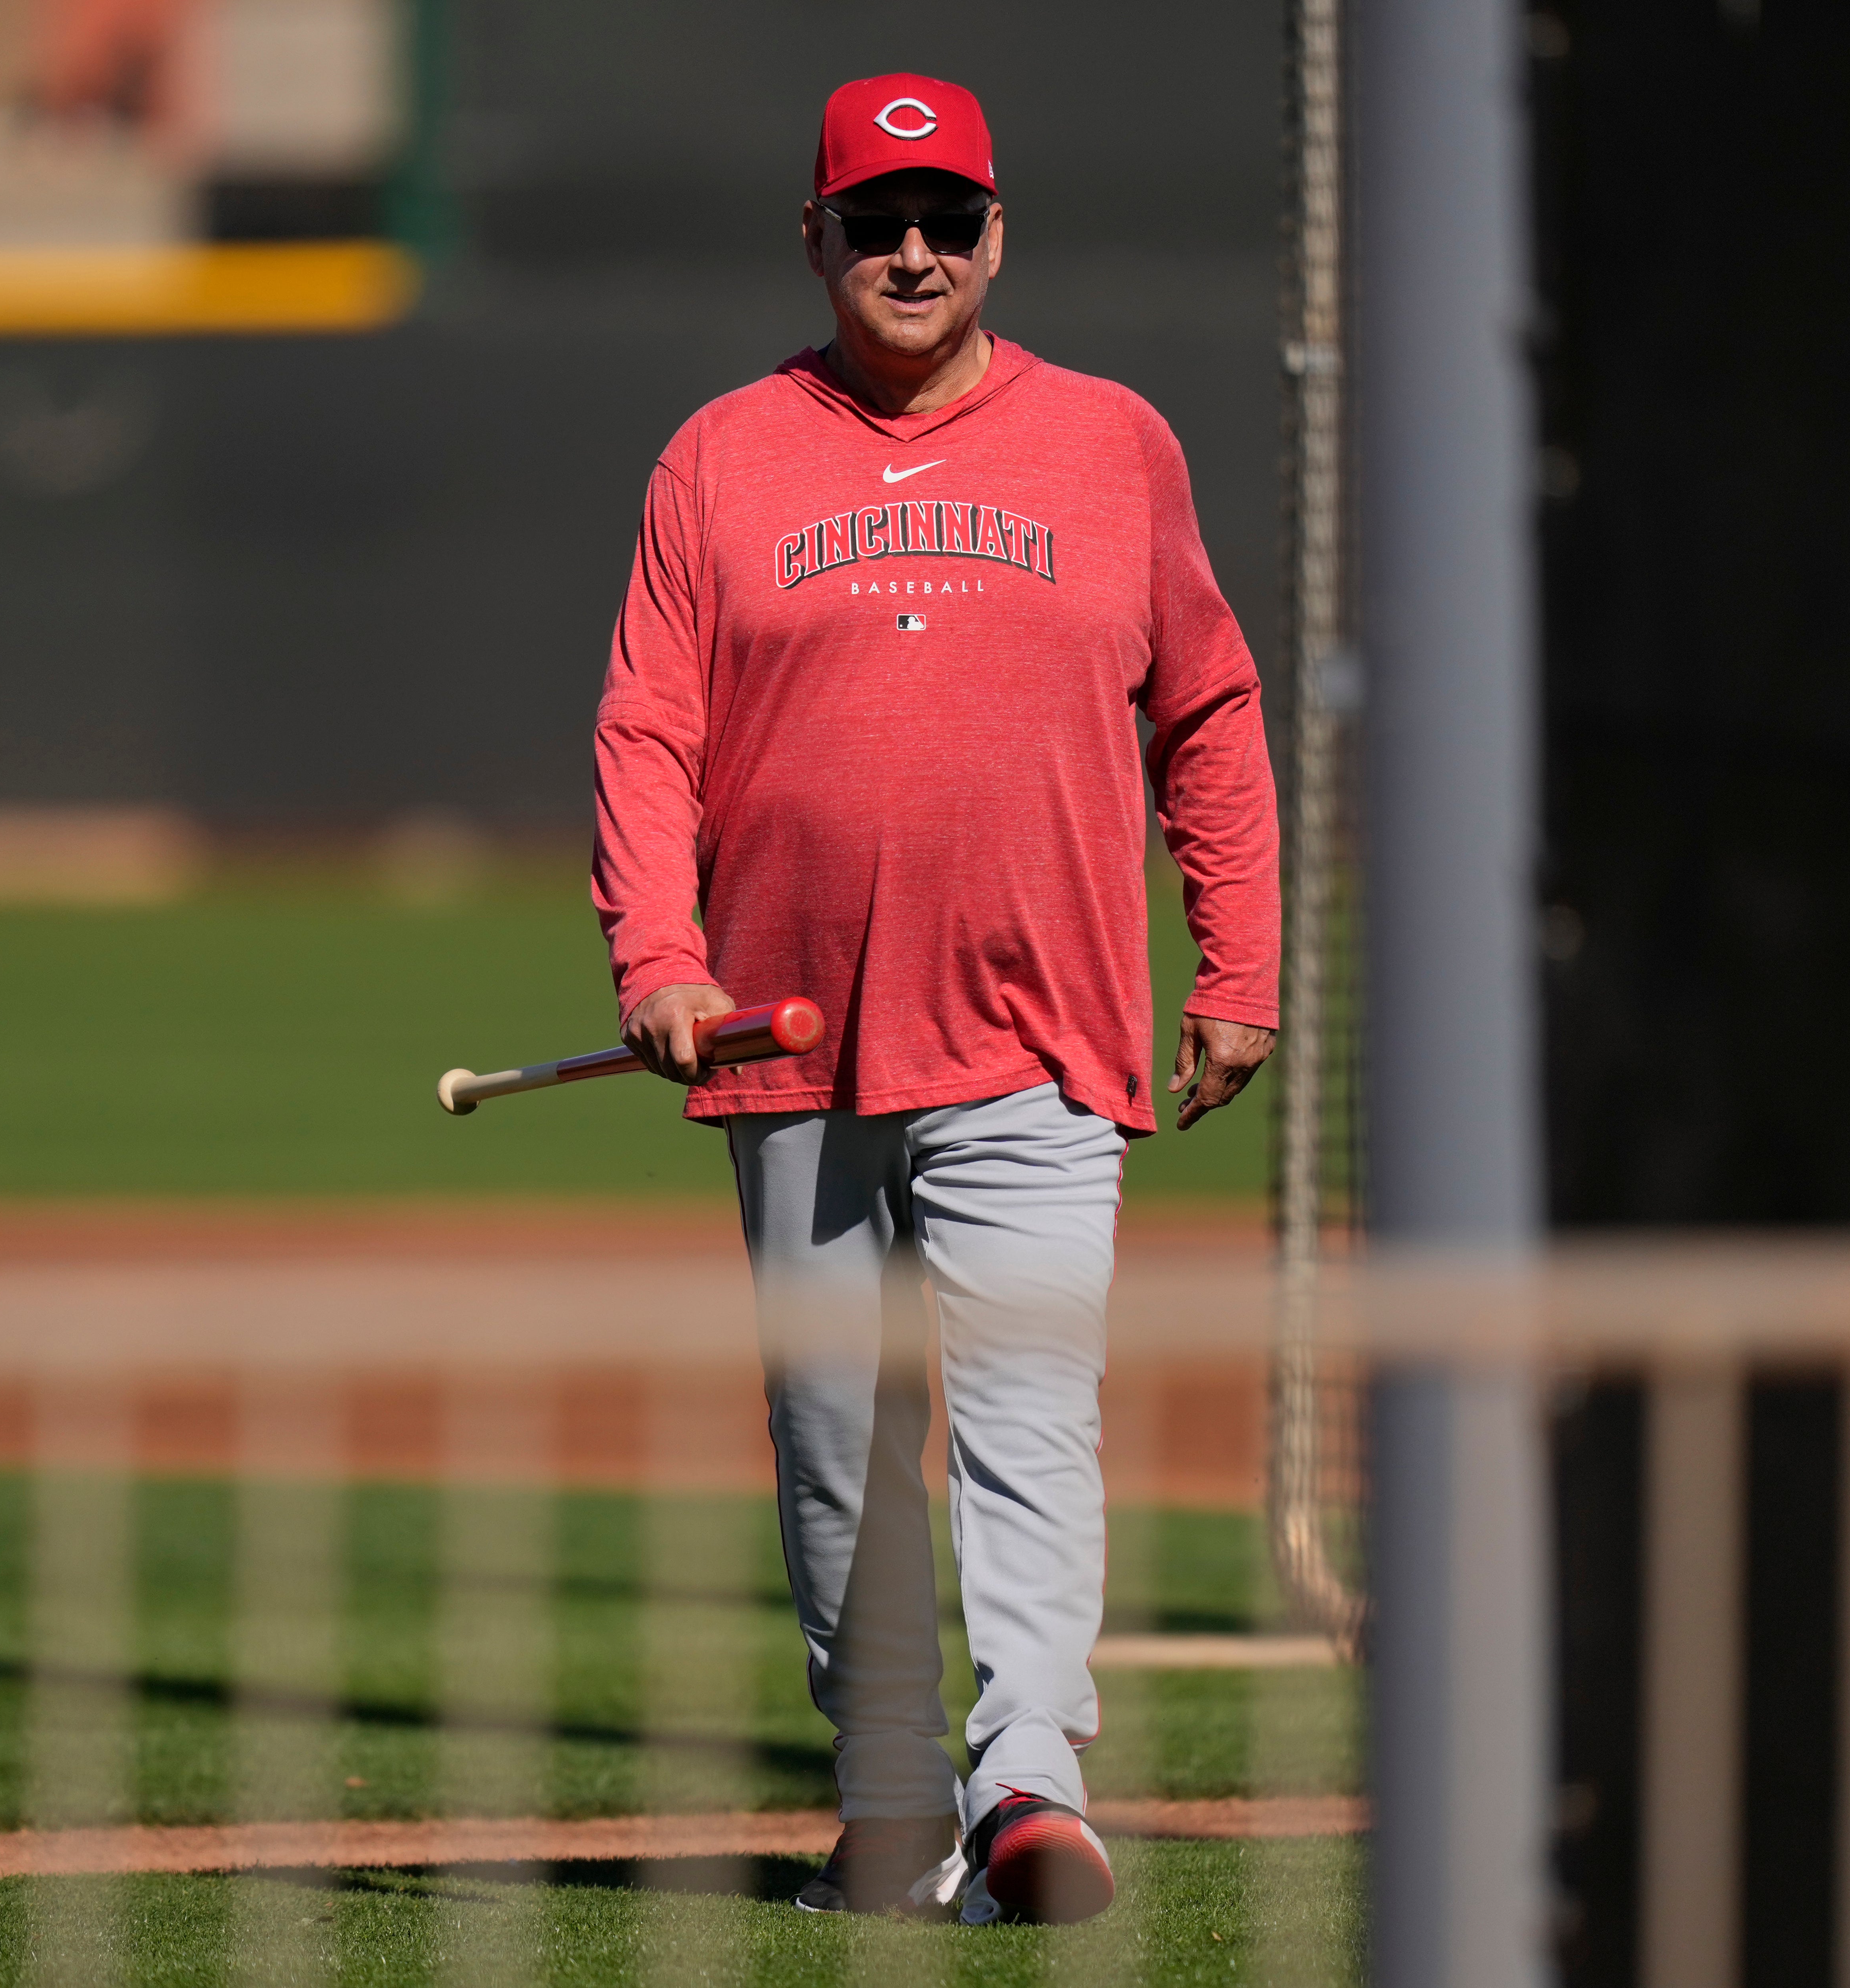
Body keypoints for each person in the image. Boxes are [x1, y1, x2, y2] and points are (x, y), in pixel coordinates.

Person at [590, 71, 1279, 1927]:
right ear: (812, 236)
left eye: (946, 218)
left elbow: (1207, 708)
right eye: (875, 219)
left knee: (1029, 1421)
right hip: (788, 1044)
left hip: (1040, 1027)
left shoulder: (1116, 442)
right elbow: (649, 727)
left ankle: (1032, 1781)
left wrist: (1241, 966)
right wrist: (657, 954)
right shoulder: (720, 454)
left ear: (998, 232)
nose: (912, 250)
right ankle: (890, 1803)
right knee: (836, 1446)